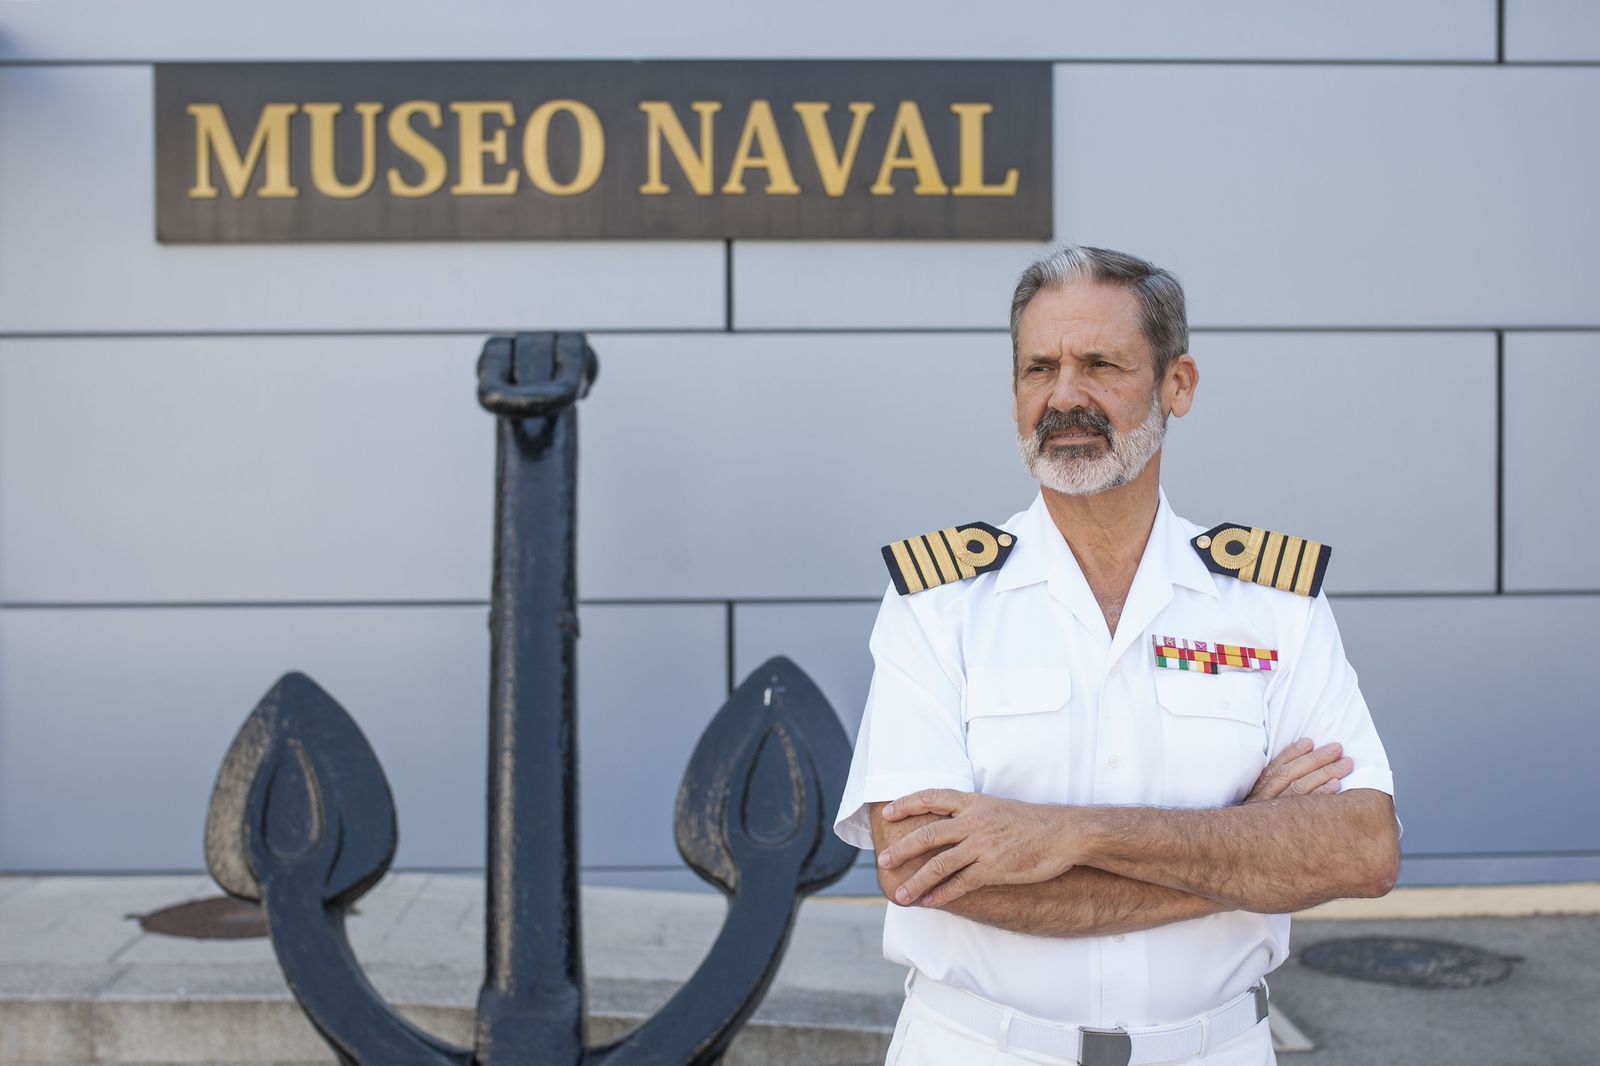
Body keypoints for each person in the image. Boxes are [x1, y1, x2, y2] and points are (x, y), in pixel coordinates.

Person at [833, 245, 1400, 1066]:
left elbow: (1361, 848)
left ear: (1179, 385)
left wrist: (1063, 835)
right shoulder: (939, 602)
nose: (1065, 396)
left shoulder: (1273, 604)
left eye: (1100, 363)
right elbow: (921, 869)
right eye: (1039, 369)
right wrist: (1247, 849)